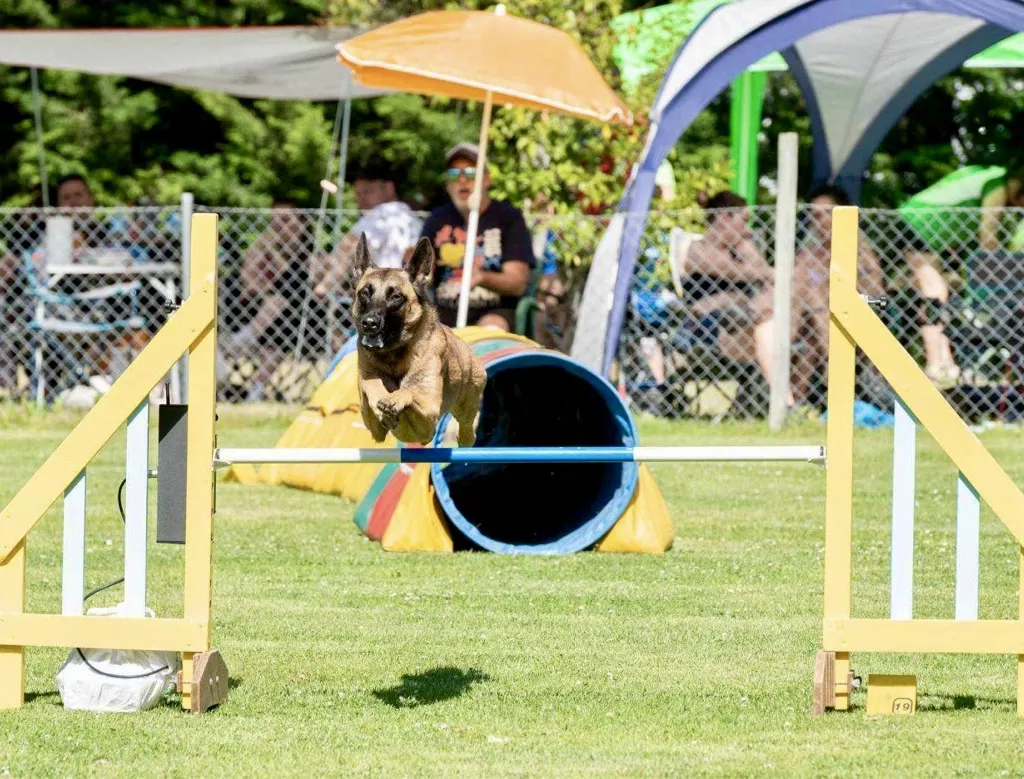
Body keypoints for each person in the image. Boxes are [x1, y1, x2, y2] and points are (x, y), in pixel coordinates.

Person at [416, 143, 535, 331]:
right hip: (444, 315)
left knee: (490, 330)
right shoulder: (437, 219)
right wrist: (416, 267)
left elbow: (518, 283)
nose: (462, 180)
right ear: (448, 185)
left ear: (486, 179)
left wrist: (483, 277)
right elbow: (424, 278)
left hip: (493, 312)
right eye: (454, 174)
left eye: (471, 173)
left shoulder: (508, 217)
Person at [311, 161, 423, 297]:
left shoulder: (383, 212)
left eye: (368, 192)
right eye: (358, 194)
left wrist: (323, 287)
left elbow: (347, 246)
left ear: (389, 188)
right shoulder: (413, 218)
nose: (361, 199)